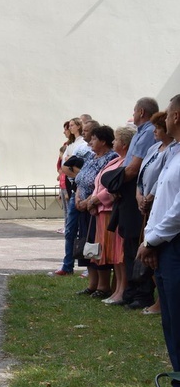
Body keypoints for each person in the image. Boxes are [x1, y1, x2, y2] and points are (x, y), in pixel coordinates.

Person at [139, 94, 180, 387]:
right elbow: (162, 203)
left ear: (177, 117)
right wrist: (152, 240)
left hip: (174, 245)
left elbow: (178, 211)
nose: (163, 120)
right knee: (171, 322)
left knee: (178, 321)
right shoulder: (174, 154)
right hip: (164, 245)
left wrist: (152, 239)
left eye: (168, 114)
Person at [84, 126, 134, 305]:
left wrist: (97, 199)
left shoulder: (126, 162)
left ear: (125, 144)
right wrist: (92, 200)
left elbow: (113, 187)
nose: (114, 142)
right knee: (111, 252)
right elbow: (100, 181)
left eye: (117, 140)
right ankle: (117, 289)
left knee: (119, 253)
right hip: (101, 211)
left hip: (110, 209)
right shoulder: (116, 160)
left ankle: (122, 290)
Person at [120, 97, 160, 310]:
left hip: (140, 198)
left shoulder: (146, 134)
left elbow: (134, 168)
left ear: (141, 112)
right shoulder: (142, 133)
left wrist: (115, 183)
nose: (133, 114)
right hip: (135, 194)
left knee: (138, 242)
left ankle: (141, 293)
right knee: (129, 243)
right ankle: (131, 291)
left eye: (134, 111)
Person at [73, 125, 118, 298]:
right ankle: (92, 284)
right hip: (83, 206)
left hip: (96, 208)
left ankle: (103, 285)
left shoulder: (110, 158)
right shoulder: (92, 157)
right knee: (86, 244)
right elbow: (81, 180)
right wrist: (78, 198)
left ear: (103, 141)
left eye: (93, 139)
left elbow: (103, 184)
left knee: (97, 246)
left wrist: (88, 202)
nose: (90, 142)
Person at [136, 111, 175, 315]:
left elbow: (175, 205)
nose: (155, 131)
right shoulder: (161, 150)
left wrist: (151, 240)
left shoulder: (174, 151)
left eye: (158, 127)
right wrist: (140, 196)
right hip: (153, 220)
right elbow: (145, 179)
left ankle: (159, 301)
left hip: (168, 227)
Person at [51, 119, 97, 277]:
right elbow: (66, 165)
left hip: (92, 196)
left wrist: (80, 175)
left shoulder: (92, 151)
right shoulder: (81, 148)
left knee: (89, 231)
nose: (84, 132)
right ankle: (67, 264)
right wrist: (80, 178)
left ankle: (90, 266)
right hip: (77, 193)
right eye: (83, 130)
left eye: (87, 130)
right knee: (70, 230)